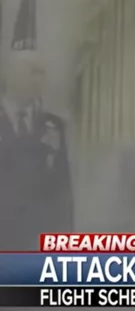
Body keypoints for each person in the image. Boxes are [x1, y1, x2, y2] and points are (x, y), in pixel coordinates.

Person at [0, 50, 74, 250]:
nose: (38, 80)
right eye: (32, 71)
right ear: (9, 74)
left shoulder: (53, 126)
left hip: (38, 240)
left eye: (42, 73)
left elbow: (62, 188)